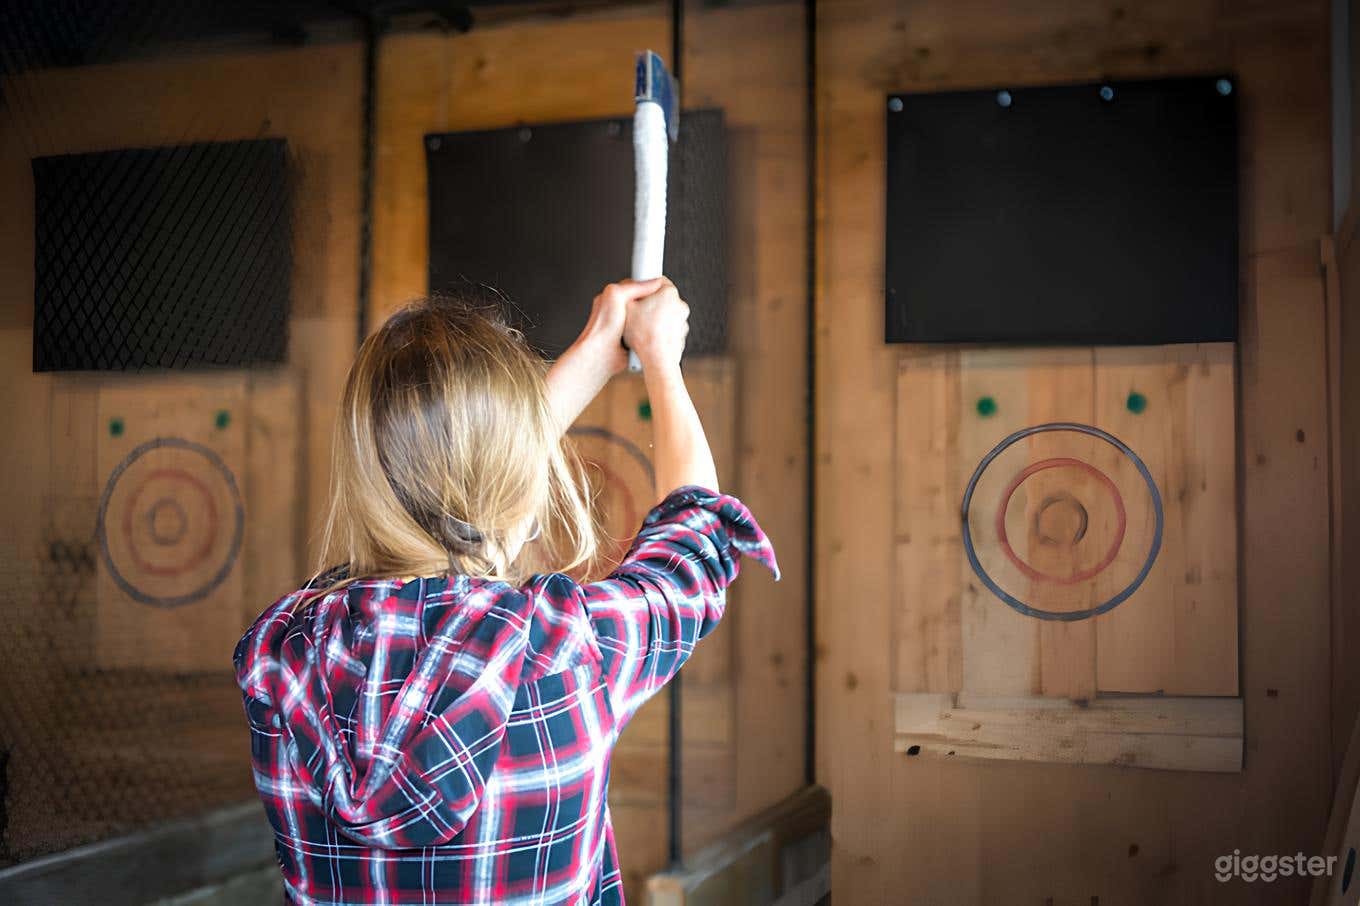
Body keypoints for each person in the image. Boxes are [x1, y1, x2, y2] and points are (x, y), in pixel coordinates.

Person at [233, 277, 777, 906]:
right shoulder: (569, 644)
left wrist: (598, 353)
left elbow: (458, 488)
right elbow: (695, 539)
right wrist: (659, 359)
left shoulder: (279, 651)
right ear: (523, 487)